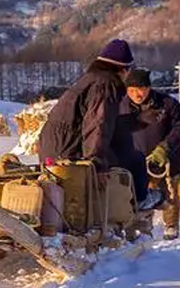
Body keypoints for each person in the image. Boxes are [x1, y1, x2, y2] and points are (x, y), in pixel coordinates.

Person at [38, 39, 161, 211]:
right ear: (124, 69)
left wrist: (139, 120)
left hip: (53, 145)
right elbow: (98, 125)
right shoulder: (105, 84)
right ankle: (138, 200)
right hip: (68, 149)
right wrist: (97, 164)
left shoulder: (91, 79)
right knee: (133, 157)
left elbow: (105, 124)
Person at [118, 68, 180, 239]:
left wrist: (165, 148)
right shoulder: (120, 106)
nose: (137, 94)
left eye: (141, 89)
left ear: (149, 88)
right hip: (135, 158)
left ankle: (171, 225)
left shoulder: (167, 103)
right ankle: (142, 225)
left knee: (168, 190)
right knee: (139, 192)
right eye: (132, 90)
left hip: (165, 157)